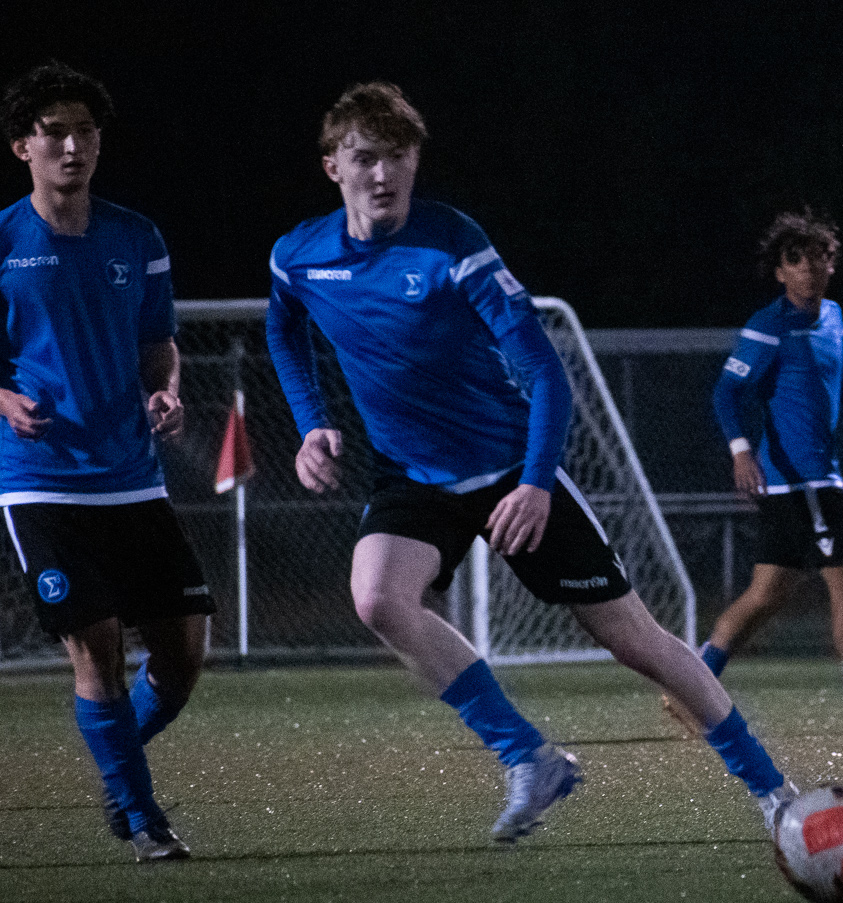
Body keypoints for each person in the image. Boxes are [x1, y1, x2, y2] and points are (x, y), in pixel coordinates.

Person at [266, 82, 794, 843]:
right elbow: (284, 328)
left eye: (399, 157)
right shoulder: (299, 256)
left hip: (511, 467)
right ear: (332, 168)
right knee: (379, 597)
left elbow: (547, 373)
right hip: (410, 476)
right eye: (365, 158)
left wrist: (537, 483)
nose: (383, 174)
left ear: (417, 161)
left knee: (632, 638)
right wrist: (313, 425)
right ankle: (529, 758)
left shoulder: (453, 244)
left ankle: (772, 790)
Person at [1, 62, 213, 862]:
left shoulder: (137, 236)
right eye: (54, 130)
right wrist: (5, 399)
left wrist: (165, 392)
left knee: (184, 657)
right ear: (23, 145)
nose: (73, 144)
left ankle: (118, 763)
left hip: (132, 477)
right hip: (41, 480)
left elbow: (159, 344)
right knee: (97, 648)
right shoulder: (3, 242)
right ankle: (144, 817)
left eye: (86, 130)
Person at [700, 209, 843, 732]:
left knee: (766, 594)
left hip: (810, 478)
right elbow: (727, 390)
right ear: (779, 271)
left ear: (831, 265)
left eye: (819, 258)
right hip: (805, 479)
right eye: (795, 261)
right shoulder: (770, 326)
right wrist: (740, 452)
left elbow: (832, 384)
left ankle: (693, 683)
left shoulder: (834, 317)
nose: (808, 269)